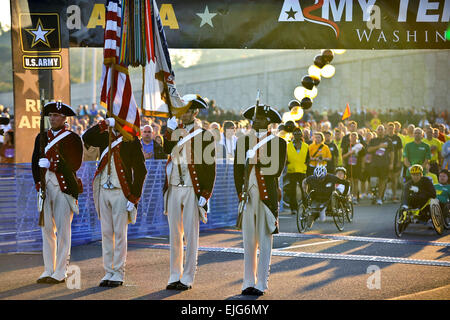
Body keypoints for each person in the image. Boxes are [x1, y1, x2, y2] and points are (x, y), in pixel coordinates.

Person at [82, 116, 147, 287]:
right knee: (105, 233)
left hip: (121, 192)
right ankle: (108, 271)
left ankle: (118, 272)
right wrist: (104, 124)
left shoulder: (131, 140)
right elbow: (86, 137)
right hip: (103, 190)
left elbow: (140, 170)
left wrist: (134, 197)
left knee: (119, 233)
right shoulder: (105, 136)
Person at [163, 94, 216, 291]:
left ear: (194, 113)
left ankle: (187, 277)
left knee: (191, 236)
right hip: (174, 187)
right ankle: (174, 274)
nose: (182, 115)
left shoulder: (204, 135)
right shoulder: (175, 131)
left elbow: (210, 167)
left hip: (192, 188)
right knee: (174, 235)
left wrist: (205, 193)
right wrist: (168, 129)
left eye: (186, 111)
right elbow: (165, 149)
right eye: (181, 111)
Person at [234, 103, 286, 296]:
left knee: (264, 240)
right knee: (248, 241)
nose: (256, 121)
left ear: (269, 122)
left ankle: (261, 282)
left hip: (266, 196)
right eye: (254, 118)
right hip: (248, 194)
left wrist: (257, 158)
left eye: (261, 118)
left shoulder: (279, 143)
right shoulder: (243, 141)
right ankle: (248, 280)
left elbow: (277, 169)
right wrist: (239, 194)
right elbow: (237, 171)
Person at [31, 102, 83, 284]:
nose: (52, 118)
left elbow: (75, 163)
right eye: (50, 115)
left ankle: (61, 270)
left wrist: (52, 165)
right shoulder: (41, 137)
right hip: (45, 187)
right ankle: (48, 269)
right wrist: (38, 181)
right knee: (46, 229)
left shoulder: (72, 138)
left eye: (55, 115)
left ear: (63, 118)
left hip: (63, 188)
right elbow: (34, 162)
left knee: (63, 230)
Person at [367, 125, 394, 205]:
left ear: (384, 131)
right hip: (374, 164)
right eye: (379, 129)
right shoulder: (373, 140)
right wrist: (379, 146)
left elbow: (392, 153)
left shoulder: (388, 140)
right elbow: (369, 149)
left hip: (384, 164)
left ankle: (379, 198)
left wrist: (391, 163)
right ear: (376, 131)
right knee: (373, 181)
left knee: (382, 181)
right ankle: (375, 194)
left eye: (382, 129)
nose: (380, 131)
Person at [285, 127, 309, 215]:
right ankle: (293, 208)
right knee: (292, 190)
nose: (297, 135)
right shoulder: (288, 145)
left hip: (302, 171)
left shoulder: (306, 146)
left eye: (299, 134)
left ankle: (305, 207)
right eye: (295, 134)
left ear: (301, 135)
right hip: (292, 171)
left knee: (304, 190)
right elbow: (285, 157)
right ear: (293, 135)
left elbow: (308, 158)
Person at [341, 132, 365, 204]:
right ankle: (349, 196)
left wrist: (363, 167)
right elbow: (343, 156)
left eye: (355, 136)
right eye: (352, 136)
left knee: (356, 181)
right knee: (349, 181)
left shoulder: (360, 146)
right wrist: (350, 153)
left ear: (357, 138)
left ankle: (355, 197)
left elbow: (363, 157)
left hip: (357, 166)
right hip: (348, 166)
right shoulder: (347, 146)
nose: (353, 138)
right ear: (349, 138)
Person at [386, 122, 403, 202]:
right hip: (385, 162)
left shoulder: (397, 138)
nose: (390, 130)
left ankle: (394, 196)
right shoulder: (385, 138)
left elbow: (400, 151)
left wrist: (399, 161)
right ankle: (384, 196)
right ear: (387, 129)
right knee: (385, 178)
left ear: (394, 129)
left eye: (392, 128)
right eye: (389, 128)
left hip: (395, 162)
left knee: (394, 179)